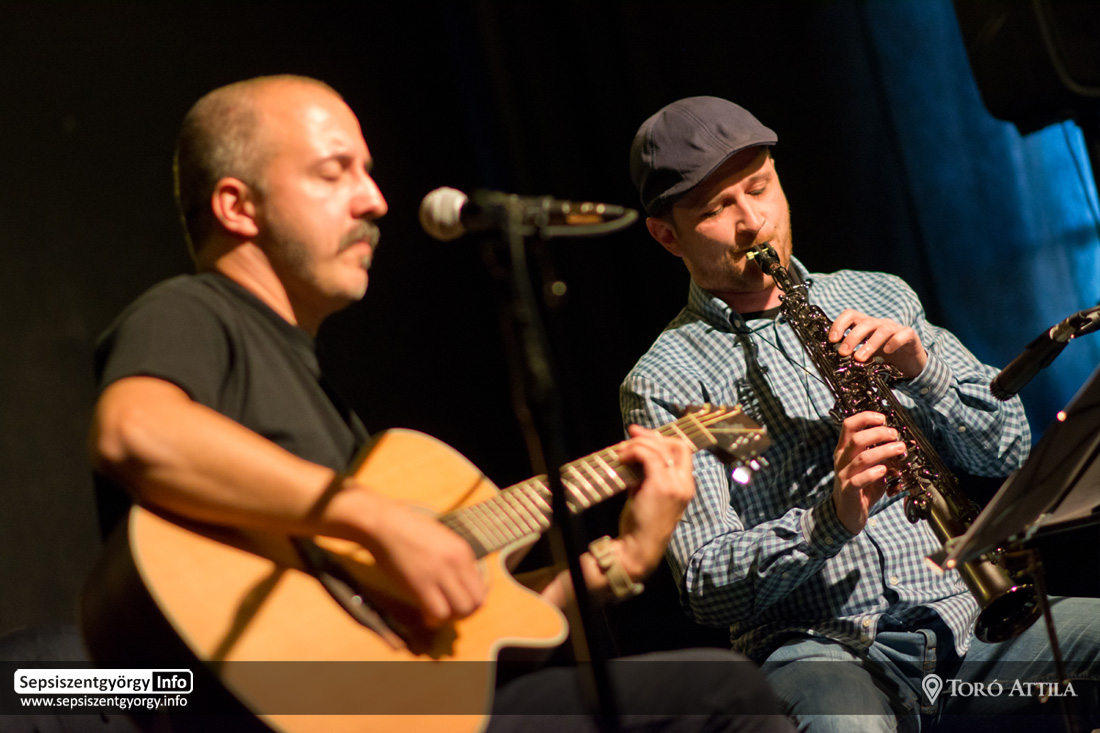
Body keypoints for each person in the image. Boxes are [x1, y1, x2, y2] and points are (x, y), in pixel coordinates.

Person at [87, 76, 793, 732]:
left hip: (381, 703)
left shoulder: (322, 404)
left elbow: (475, 637)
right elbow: (134, 429)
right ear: (237, 206)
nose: (374, 199)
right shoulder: (194, 311)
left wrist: (627, 556)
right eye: (334, 173)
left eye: (367, 171)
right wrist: (373, 518)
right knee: (724, 694)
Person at [620, 95, 1100, 732]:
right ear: (665, 235)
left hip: (968, 621)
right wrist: (830, 516)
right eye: (716, 209)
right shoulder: (662, 379)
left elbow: (1010, 450)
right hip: (820, 648)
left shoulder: (878, 294)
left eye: (760, 188)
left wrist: (924, 372)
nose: (752, 222)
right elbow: (706, 584)